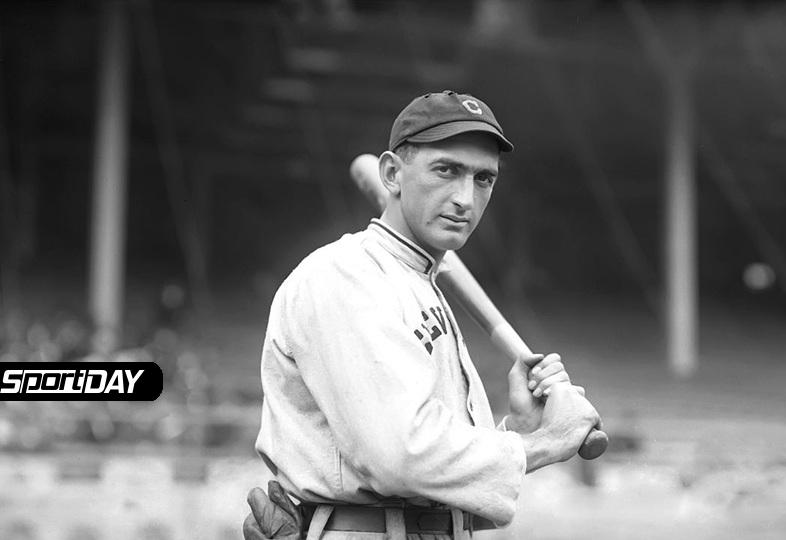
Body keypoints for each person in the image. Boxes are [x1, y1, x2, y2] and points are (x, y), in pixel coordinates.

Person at [244, 90, 605, 540]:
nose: (465, 199)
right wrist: (545, 443)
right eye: (446, 170)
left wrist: (516, 429)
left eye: (483, 179)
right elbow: (401, 457)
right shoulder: (345, 277)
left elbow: (440, 491)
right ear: (392, 174)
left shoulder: (419, 283)